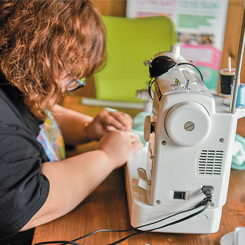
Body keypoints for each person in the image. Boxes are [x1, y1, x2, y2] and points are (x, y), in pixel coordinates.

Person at [0, 1, 143, 244]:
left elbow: (41, 114)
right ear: (43, 54)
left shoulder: (14, 79)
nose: (70, 87)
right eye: (72, 75)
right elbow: (25, 201)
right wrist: (107, 156)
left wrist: (87, 129)